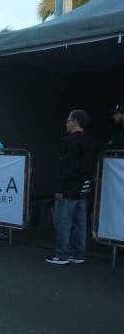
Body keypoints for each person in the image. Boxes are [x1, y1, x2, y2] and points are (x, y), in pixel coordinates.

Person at [46, 110, 96, 265]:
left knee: (64, 222)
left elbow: (67, 167)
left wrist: (59, 189)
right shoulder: (90, 141)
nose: (66, 123)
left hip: (68, 189)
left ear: (75, 121)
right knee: (80, 223)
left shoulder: (69, 142)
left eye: (68, 120)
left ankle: (62, 255)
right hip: (83, 188)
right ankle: (78, 254)